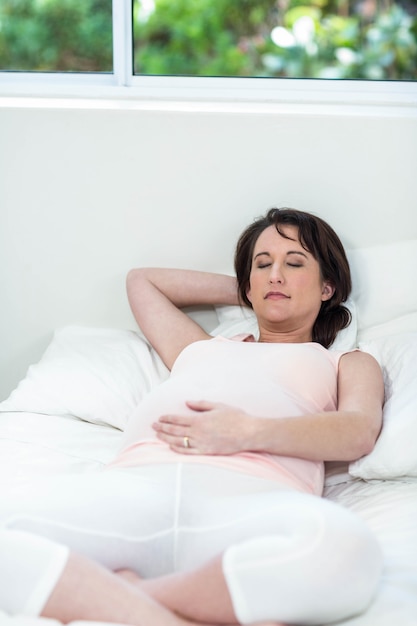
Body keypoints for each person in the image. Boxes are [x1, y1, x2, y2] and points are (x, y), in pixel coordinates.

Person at [2, 208, 384, 626]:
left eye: (294, 264)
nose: (275, 274)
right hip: (136, 488)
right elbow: (142, 281)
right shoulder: (199, 347)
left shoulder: (345, 361)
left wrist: (247, 431)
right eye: (263, 264)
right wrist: (252, 288)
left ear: (328, 286)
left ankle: (127, 597)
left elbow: (358, 432)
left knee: (347, 551)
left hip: (253, 499)